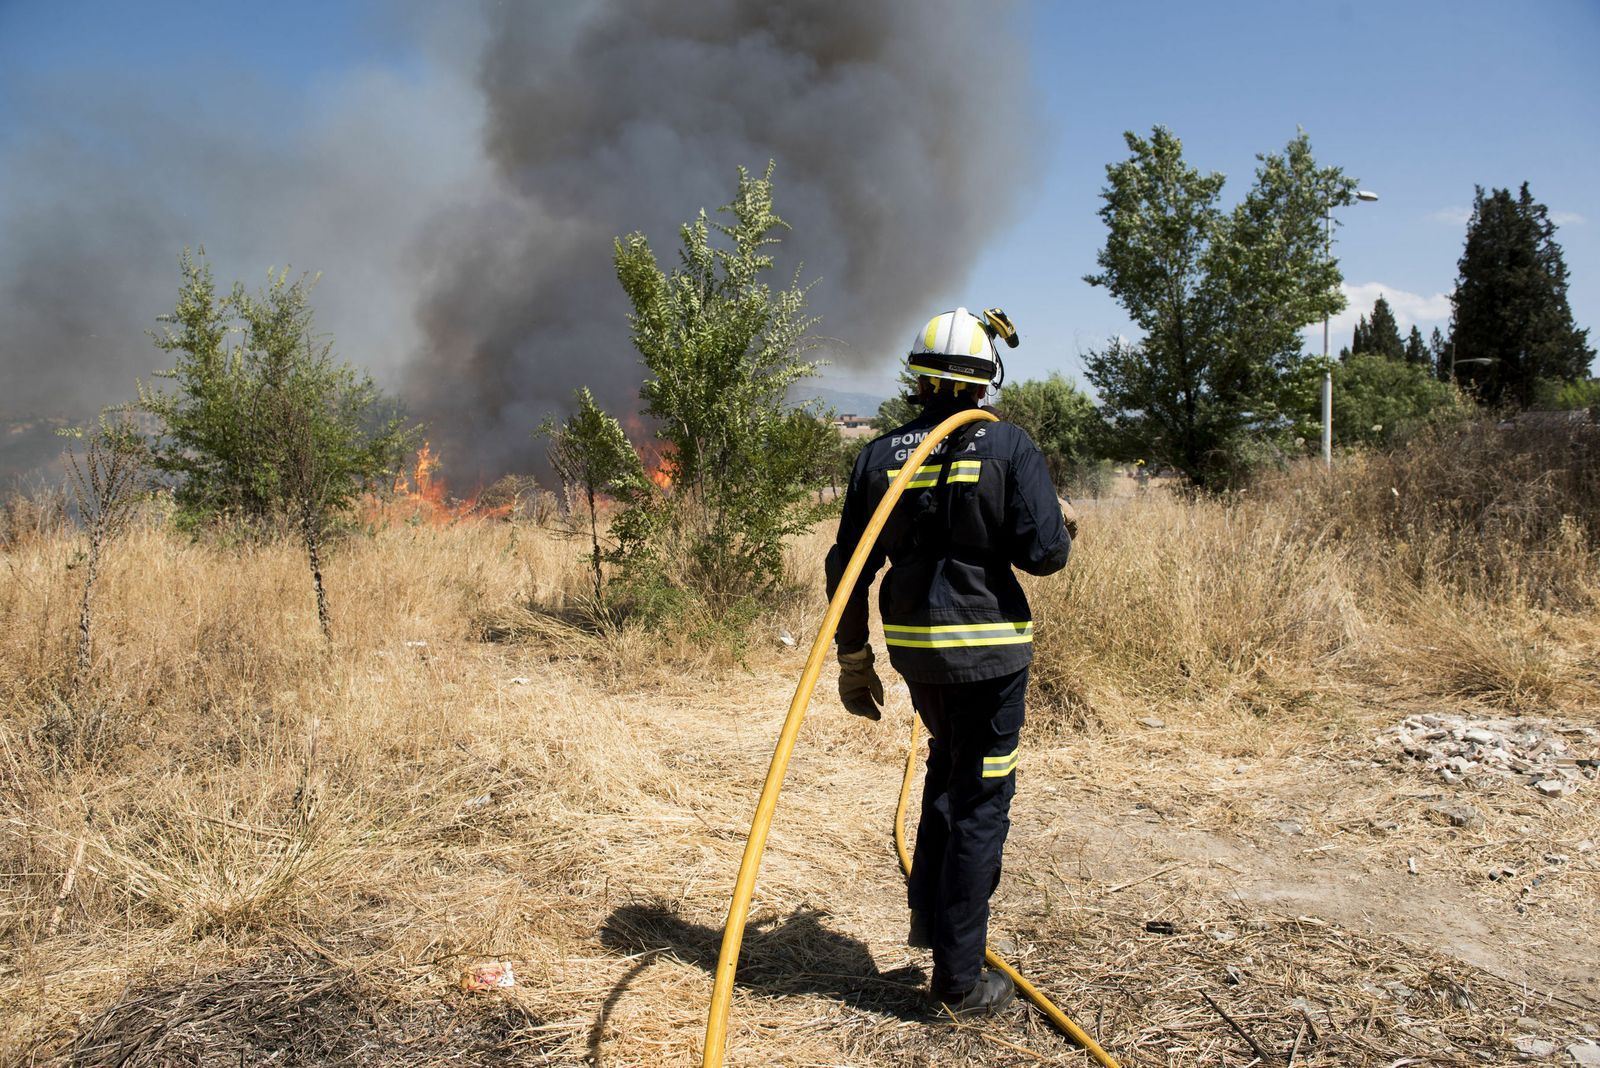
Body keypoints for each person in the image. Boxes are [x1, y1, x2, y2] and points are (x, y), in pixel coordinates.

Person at [824, 306, 1073, 1018]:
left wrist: (853, 656)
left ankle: (932, 927)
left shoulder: (879, 456)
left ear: (920, 380)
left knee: (945, 766)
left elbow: (849, 564)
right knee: (980, 803)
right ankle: (960, 984)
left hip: (917, 656)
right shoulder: (1006, 446)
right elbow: (1045, 554)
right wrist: (1059, 527)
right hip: (990, 655)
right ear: (983, 381)